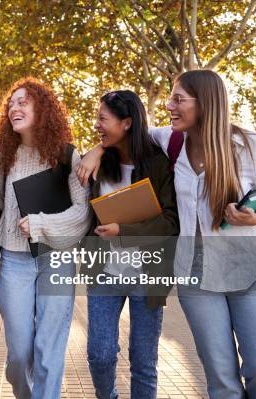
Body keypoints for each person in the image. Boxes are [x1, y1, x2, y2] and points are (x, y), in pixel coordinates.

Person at [77, 70, 256, 398]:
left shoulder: (249, 145)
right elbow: (126, 133)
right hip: (195, 276)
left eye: (178, 99)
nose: (169, 105)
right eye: (170, 98)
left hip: (245, 271)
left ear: (206, 102)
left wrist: (254, 217)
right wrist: (96, 151)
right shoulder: (171, 140)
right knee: (222, 379)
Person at [0, 77, 90, 398]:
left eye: (23, 102)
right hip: (15, 258)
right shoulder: (2, 154)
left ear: (42, 109)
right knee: (19, 352)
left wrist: (40, 224)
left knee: (49, 349)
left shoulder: (67, 156)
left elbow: (82, 214)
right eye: (11, 103)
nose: (14, 108)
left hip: (57, 257)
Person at [83, 90, 179, 399]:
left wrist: (123, 230)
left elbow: (171, 221)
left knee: (143, 362)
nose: (97, 125)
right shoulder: (98, 162)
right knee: (100, 354)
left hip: (148, 276)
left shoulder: (157, 163)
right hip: (104, 273)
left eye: (102, 119)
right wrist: (96, 149)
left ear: (126, 123)